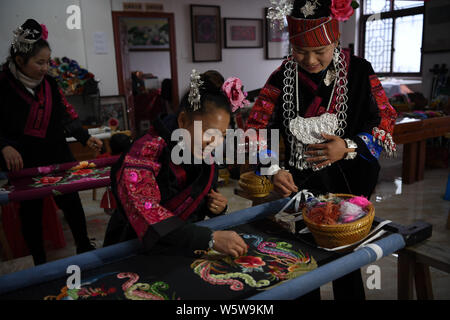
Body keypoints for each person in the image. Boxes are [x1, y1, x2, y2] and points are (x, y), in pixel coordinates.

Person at [245, 0, 397, 299]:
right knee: (303, 263)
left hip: (351, 185)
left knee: (347, 263)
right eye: (301, 51)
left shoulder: (359, 71)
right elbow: (255, 129)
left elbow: (386, 119)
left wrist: (349, 146)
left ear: (335, 40)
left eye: (320, 51)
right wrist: (273, 169)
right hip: (301, 187)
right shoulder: (282, 76)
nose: (311, 60)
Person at [103, 70, 249, 258]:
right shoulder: (144, 152)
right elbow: (146, 211)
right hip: (133, 249)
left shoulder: (205, 155)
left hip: (182, 247)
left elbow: (199, 200)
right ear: (182, 120)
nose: (213, 142)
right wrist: (209, 238)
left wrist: (216, 207)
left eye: (220, 135)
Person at [0, 19, 103, 265]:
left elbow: (64, 116)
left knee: (72, 202)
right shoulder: (3, 86)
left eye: (48, 61)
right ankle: (39, 262)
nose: (46, 67)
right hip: (24, 159)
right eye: (39, 62)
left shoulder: (50, 84)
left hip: (57, 152)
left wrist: (85, 138)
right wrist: (4, 145)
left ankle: (83, 246)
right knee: (30, 212)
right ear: (19, 61)